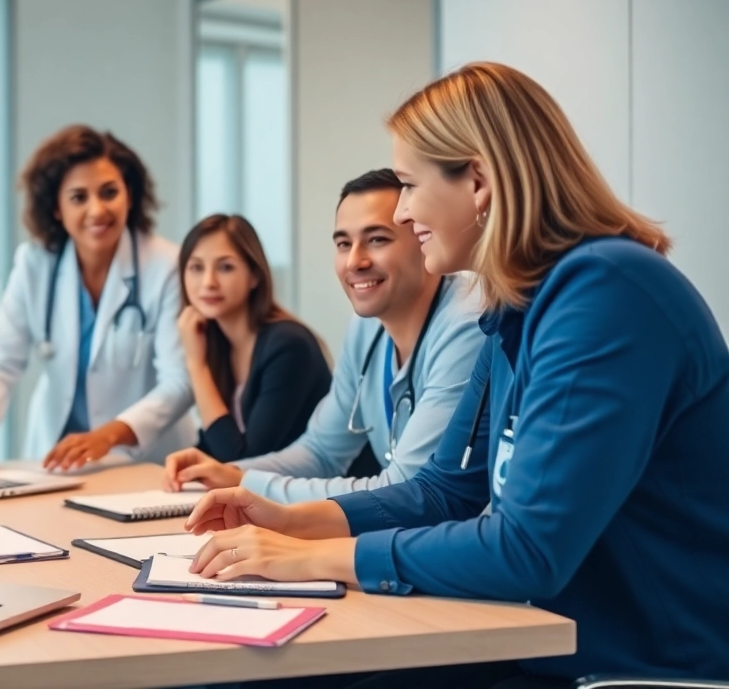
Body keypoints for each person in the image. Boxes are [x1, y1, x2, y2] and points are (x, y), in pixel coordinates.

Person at [183, 62, 729, 686]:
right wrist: (290, 520)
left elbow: (528, 550)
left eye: (409, 186)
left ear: (478, 181)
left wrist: (313, 558)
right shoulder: (517, 307)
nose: (405, 211)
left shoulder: (606, 294)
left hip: (641, 669)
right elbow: (444, 493)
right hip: (547, 643)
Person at [164, 170, 484, 502]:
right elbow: (321, 451)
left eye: (377, 239)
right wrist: (232, 473)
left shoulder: (466, 323)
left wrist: (247, 485)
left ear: (424, 238)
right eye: (344, 244)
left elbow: (404, 488)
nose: (354, 261)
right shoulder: (366, 328)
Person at [0, 125, 193, 469]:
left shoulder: (166, 266)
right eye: (78, 197)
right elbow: (0, 364)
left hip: (147, 463)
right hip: (59, 461)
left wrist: (109, 434)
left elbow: (180, 381)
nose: (97, 210)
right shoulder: (36, 264)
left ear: (130, 195)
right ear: (56, 208)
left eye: (109, 193)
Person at [177, 214, 330, 462]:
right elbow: (214, 444)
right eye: (196, 268)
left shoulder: (289, 345)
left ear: (254, 276)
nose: (208, 282)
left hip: (314, 486)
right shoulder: (218, 343)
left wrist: (197, 366)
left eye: (225, 267)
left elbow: (245, 459)